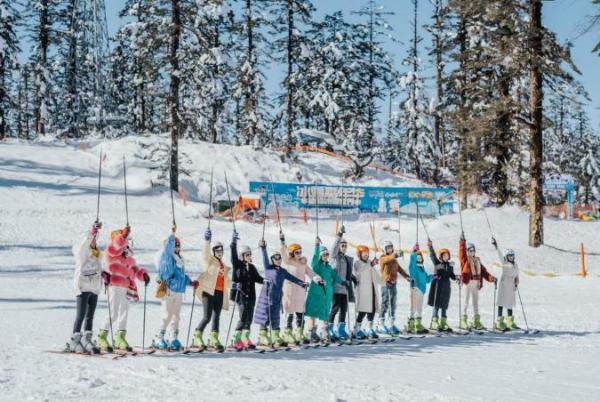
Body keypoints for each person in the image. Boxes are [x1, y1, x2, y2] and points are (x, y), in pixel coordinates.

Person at [97, 225, 150, 352]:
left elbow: (135, 269)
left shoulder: (128, 257)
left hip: (126, 287)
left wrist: (143, 275)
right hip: (115, 285)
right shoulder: (111, 253)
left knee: (123, 313)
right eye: (123, 239)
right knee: (113, 313)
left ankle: (120, 337)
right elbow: (114, 248)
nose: (126, 242)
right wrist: (123, 236)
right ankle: (102, 336)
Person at [253, 240, 307, 348]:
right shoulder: (268, 268)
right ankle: (263, 335)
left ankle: (276, 335)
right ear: (272, 260)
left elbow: (292, 278)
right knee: (265, 315)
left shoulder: (283, 271)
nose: (278, 260)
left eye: (279, 258)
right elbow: (264, 258)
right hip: (267, 297)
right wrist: (263, 248)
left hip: (277, 297)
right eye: (275, 258)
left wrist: (302, 283)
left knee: (275, 317)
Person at [152, 229, 199, 350]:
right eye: (174, 246)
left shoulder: (180, 259)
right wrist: (172, 235)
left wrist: (190, 282)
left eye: (178, 246)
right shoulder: (167, 257)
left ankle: (173, 337)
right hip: (168, 290)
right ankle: (159, 337)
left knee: (176, 316)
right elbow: (168, 249)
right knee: (167, 315)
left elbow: (181, 276)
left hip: (178, 291)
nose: (177, 248)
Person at [192, 228, 232, 352]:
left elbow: (226, 280)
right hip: (208, 292)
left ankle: (214, 339)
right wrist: (207, 241)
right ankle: (197, 336)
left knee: (216, 317)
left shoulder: (223, 266)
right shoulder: (210, 261)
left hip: (220, 293)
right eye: (217, 250)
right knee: (207, 317)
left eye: (221, 250)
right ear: (214, 251)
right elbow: (205, 254)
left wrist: (234, 285)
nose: (220, 252)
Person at [68, 221, 103, 354]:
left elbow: (99, 267)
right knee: (80, 315)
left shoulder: (96, 254)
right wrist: (91, 233)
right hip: (82, 288)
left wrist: (104, 275)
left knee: (90, 316)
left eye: (96, 240)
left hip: (94, 288)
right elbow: (84, 246)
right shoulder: (82, 254)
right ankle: (75, 340)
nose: (95, 241)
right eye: (93, 240)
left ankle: (86, 339)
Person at [304, 237, 346, 344]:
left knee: (324, 312)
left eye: (327, 254)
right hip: (316, 292)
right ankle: (312, 332)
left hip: (327, 292)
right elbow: (314, 257)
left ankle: (324, 332)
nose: (326, 256)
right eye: (323, 255)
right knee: (313, 312)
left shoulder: (329, 267)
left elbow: (334, 276)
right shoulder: (316, 265)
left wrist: (342, 282)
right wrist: (317, 246)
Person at [280, 232, 318, 345]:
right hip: (290, 291)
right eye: (297, 252)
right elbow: (283, 252)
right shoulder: (287, 261)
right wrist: (282, 242)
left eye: (300, 252)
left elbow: (311, 273)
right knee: (290, 312)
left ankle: (299, 332)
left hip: (301, 292)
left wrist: (317, 279)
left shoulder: (303, 263)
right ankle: (288, 333)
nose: (299, 254)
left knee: (300, 313)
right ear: (291, 253)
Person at [230, 230, 264, 350]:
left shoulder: (252, 267)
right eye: (247, 254)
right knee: (243, 316)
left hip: (251, 296)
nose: (250, 256)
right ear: (242, 256)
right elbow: (233, 256)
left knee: (249, 317)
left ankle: (245, 337)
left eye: (250, 254)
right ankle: (236, 339)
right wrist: (233, 243)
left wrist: (265, 281)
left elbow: (257, 278)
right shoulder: (237, 265)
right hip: (241, 295)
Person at [458, 233, 496, 330]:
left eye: (473, 250)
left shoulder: (477, 260)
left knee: (475, 302)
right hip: (467, 282)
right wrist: (462, 242)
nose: (472, 252)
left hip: (476, 283)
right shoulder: (465, 260)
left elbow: (484, 272)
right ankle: (463, 320)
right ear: (467, 251)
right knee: (465, 301)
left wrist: (491, 278)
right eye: (470, 250)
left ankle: (476, 321)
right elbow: (461, 252)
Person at [328, 225, 355, 341]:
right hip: (335, 287)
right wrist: (339, 234)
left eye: (345, 246)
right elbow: (334, 247)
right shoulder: (334, 257)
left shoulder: (346, 259)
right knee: (335, 308)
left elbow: (347, 273)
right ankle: (329, 328)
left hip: (344, 288)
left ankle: (341, 329)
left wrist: (352, 278)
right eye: (342, 245)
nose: (344, 247)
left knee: (344, 309)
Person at [377, 239, 411, 335]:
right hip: (385, 283)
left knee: (393, 303)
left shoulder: (394, 259)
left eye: (391, 248)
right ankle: (381, 323)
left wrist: (407, 277)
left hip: (393, 283)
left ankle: (392, 324)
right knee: (385, 302)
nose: (390, 249)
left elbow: (399, 269)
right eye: (388, 248)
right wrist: (395, 255)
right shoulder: (382, 258)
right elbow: (389, 258)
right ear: (384, 249)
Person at [352, 245, 383, 339]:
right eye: (364, 254)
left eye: (367, 254)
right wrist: (371, 264)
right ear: (359, 254)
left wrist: (385, 282)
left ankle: (370, 328)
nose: (366, 255)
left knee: (372, 309)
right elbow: (360, 271)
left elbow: (376, 276)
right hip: (363, 291)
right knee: (363, 310)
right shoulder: (357, 263)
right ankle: (356, 329)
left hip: (372, 290)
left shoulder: (370, 263)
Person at [427, 240, 458, 332]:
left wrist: (456, 277)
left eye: (447, 255)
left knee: (444, 305)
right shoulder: (437, 263)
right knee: (436, 304)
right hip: (438, 286)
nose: (446, 257)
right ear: (441, 256)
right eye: (444, 255)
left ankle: (443, 322)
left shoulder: (449, 265)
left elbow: (451, 275)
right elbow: (432, 256)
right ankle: (434, 321)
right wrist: (430, 247)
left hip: (446, 287)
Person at [492, 237, 520, 331]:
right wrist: (496, 247)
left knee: (510, 303)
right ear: (506, 257)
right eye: (509, 256)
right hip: (504, 284)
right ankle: (499, 321)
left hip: (511, 285)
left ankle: (510, 321)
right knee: (501, 301)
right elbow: (500, 256)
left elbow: (517, 274)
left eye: (512, 256)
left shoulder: (515, 264)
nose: (511, 257)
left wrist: (516, 281)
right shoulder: (504, 263)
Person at [407, 244, 433, 334]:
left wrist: (433, 276)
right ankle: (411, 324)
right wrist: (414, 252)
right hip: (415, 288)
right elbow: (412, 262)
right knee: (413, 307)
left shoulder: (422, 268)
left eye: (420, 258)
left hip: (422, 291)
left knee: (419, 308)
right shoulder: (414, 268)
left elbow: (426, 279)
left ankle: (418, 325)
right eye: (417, 258)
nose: (419, 259)